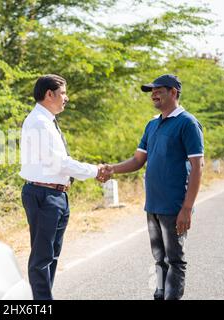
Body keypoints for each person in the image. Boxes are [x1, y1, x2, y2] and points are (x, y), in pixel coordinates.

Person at [100, 74, 204, 300]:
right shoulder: (152, 124)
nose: (154, 94)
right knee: (159, 258)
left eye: (159, 90)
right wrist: (112, 169)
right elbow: (138, 160)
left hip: (175, 206)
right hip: (153, 206)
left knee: (174, 260)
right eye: (151, 91)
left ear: (174, 92)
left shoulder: (187, 123)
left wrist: (187, 208)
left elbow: (198, 167)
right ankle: (160, 295)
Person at [19, 74, 109, 300]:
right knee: (42, 258)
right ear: (49, 94)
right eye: (63, 93)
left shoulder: (47, 121)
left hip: (55, 195)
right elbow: (60, 163)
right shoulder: (39, 122)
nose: (66, 98)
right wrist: (95, 170)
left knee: (51, 256)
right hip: (43, 194)